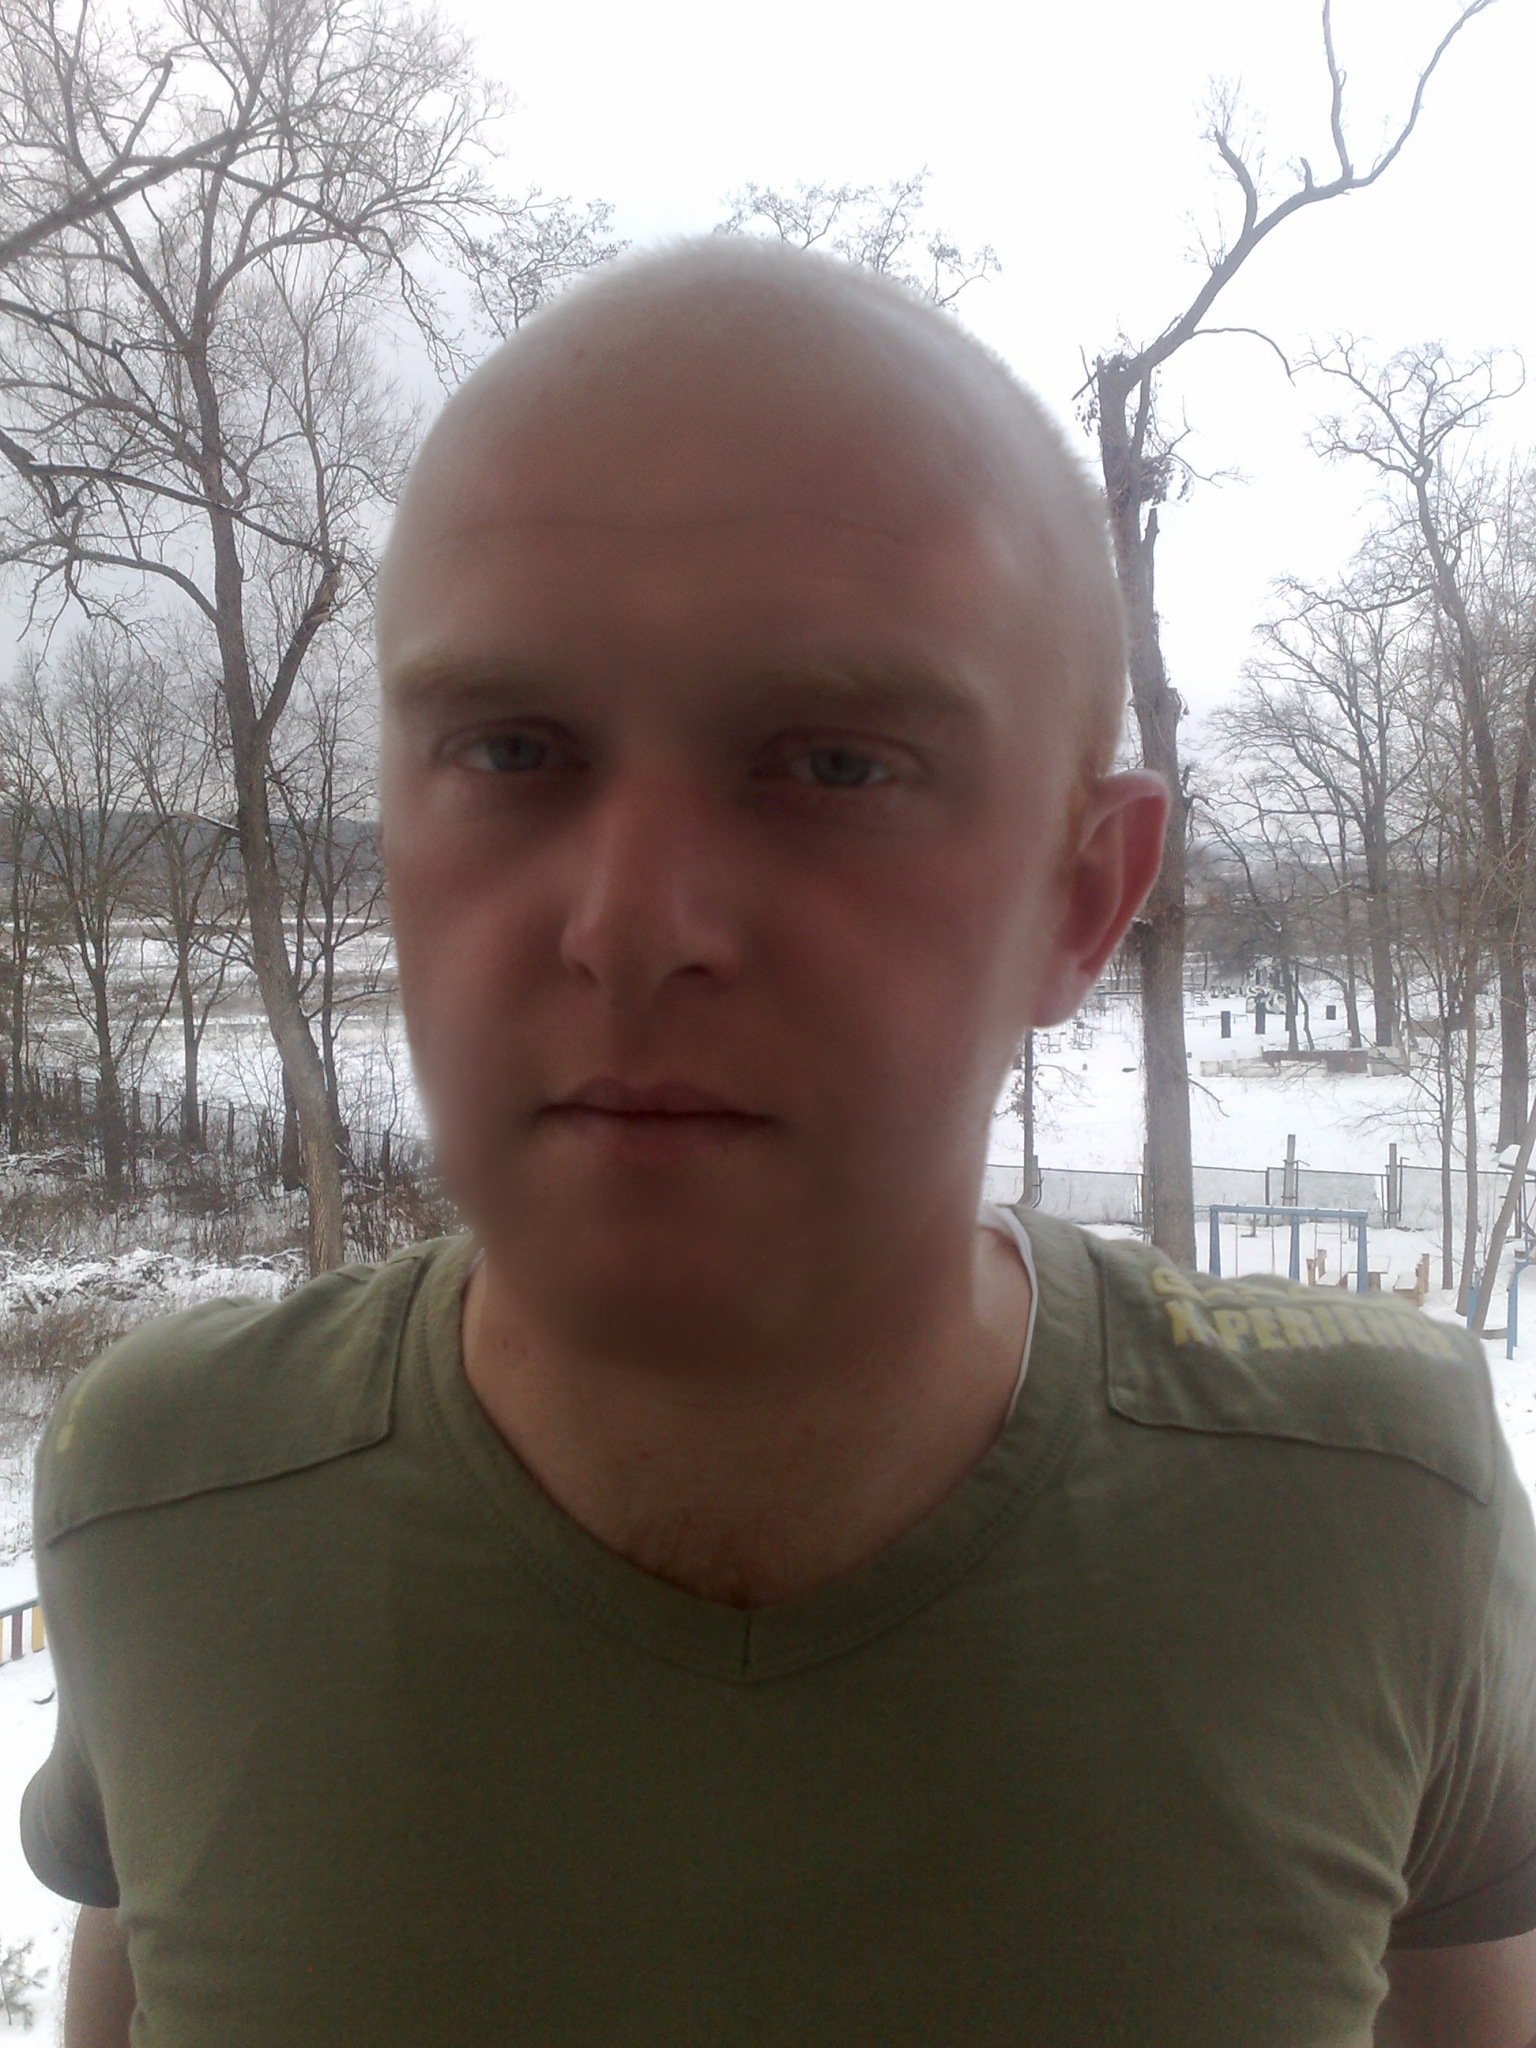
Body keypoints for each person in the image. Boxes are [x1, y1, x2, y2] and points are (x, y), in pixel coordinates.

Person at [23, 238, 1536, 2048]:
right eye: (510, 751)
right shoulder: (175, 1494)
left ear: (1083, 896)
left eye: (831, 765)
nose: (629, 926)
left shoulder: (1369, 1512)